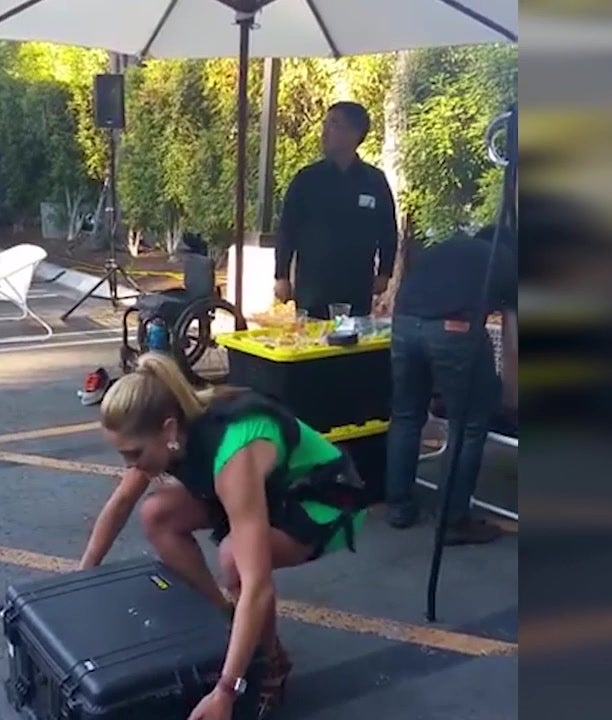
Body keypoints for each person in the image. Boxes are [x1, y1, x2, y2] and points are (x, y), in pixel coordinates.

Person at [80, 353, 371, 720]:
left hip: (321, 500)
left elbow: (257, 585)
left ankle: (271, 663)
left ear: (168, 430)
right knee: (156, 515)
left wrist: (225, 690)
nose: (129, 465)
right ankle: (227, 617)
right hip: (268, 491)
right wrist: (81, 578)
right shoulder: (167, 432)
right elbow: (122, 503)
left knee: (236, 559)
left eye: (134, 454)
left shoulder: (233, 454)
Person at [383, 224, 517, 542]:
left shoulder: (448, 248)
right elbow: (512, 337)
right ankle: (453, 521)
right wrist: (511, 394)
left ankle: (398, 507)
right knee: (468, 426)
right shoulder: (507, 261)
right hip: (454, 329)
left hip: (403, 324)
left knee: (405, 415)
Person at [274, 101, 398, 319]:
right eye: (325, 125)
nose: (324, 132)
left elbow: (388, 230)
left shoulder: (373, 181)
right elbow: (287, 229)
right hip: (314, 286)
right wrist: (281, 276)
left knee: (351, 336)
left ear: (354, 133)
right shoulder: (307, 179)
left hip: (357, 285)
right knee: (312, 336)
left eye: (333, 124)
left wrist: (385, 273)